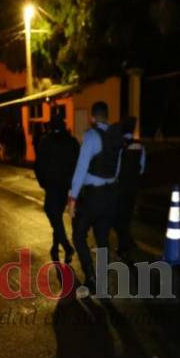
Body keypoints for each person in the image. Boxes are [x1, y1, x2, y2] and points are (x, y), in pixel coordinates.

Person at [67, 101, 124, 296]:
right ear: (106, 116)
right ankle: (102, 282)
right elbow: (117, 170)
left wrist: (73, 198)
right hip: (111, 195)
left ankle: (91, 277)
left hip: (94, 197)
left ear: (92, 118)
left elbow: (81, 168)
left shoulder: (91, 136)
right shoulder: (117, 137)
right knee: (102, 239)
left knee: (78, 235)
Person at [34, 112, 80, 263]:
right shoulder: (72, 142)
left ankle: (66, 246)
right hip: (65, 186)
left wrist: (44, 183)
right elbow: (77, 163)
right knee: (57, 216)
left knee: (52, 214)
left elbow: (38, 166)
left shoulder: (45, 142)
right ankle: (55, 246)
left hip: (52, 186)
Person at [113, 116, 146, 258]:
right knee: (127, 216)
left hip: (121, 186)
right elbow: (142, 169)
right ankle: (128, 242)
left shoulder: (121, 146)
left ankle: (123, 247)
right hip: (134, 186)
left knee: (119, 217)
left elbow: (117, 170)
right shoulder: (140, 146)